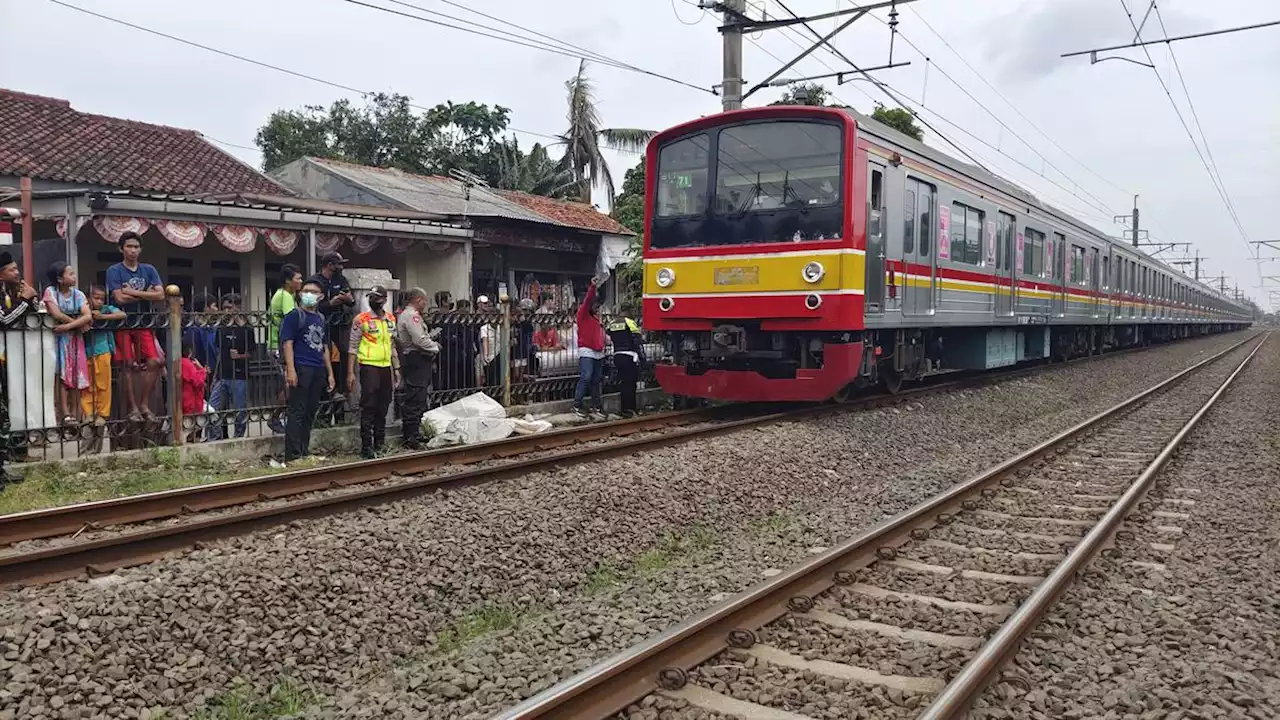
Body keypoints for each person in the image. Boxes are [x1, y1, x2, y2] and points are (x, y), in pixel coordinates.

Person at [106, 232, 165, 422]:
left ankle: (144, 404)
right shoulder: (114, 270)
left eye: (136, 247)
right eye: (129, 246)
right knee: (127, 365)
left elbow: (161, 295)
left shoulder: (148, 269)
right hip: (123, 322)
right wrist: (146, 293)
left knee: (154, 361)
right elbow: (119, 298)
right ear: (121, 249)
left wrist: (131, 291)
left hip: (143, 321)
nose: (133, 250)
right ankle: (132, 408)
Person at [280, 280, 335, 462]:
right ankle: (293, 455)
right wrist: (291, 370)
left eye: (313, 291)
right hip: (301, 367)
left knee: (310, 411)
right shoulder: (294, 316)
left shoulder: (319, 318)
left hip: (317, 368)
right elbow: (287, 344)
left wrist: (330, 373)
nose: (308, 294)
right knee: (297, 411)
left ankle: (303, 451)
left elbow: (324, 347)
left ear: (321, 297)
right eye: (306, 291)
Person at [347, 286, 399, 459]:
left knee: (383, 406)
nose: (373, 300)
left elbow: (391, 345)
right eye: (371, 297)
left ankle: (380, 444)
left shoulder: (390, 319)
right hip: (368, 366)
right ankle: (366, 447)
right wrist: (350, 373)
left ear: (384, 300)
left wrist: (396, 368)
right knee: (368, 406)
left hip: (386, 367)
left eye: (376, 297)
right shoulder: (361, 319)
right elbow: (352, 347)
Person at [0, 252, 36, 487]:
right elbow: (3, 320)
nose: (17, 272)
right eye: (12, 269)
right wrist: (24, 301)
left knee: (3, 418)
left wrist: (28, 300)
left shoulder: (6, 292)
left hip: (4, 359)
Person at [42, 261, 92, 426]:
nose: (74, 276)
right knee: (61, 376)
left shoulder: (78, 294)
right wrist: (77, 324)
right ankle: (64, 414)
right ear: (59, 279)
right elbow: (56, 313)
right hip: (58, 339)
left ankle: (77, 414)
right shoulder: (51, 292)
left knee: (77, 375)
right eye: (70, 274)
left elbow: (87, 316)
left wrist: (69, 326)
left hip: (74, 338)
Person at [394, 287, 439, 450]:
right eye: (425, 301)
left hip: (417, 358)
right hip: (415, 358)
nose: (425, 305)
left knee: (419, 396)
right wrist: (435, 347)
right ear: (419, 300)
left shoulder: (409, 315)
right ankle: (410, 435)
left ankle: (414, 431)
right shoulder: (411, 316)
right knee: (415, 397)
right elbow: (419, 340)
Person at [308, 251, 355, 399]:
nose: (341, 267)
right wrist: (330, 303)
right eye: (338, 264)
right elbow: (309, 304)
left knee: (343, 353)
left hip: (338, 325)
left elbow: (351, 301)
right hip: (319, 325)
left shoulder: (340, 279)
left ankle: (341, 390)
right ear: (329, 265)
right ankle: (326, 393)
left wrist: (347, 298)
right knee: (324, 357)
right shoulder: (314, 281)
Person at [209, 293, 254, 440]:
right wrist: (215, 377)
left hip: (240, 376)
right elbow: (219, 354)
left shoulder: (247, 329)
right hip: (223, 374)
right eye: (224, 308)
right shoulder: (221, 328)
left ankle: (238, 438)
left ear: (237, 307)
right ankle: (214, 437)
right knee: (213, 409)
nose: (226, 311)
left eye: (229, 307)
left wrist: (240, 356)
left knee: (240, 411)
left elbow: (252, 353)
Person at [267, 265, 303, 433]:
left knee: (289, 384)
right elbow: (293, 321)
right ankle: (274, 417)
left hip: (279, 344)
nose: (300, 281)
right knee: (289, 383)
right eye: (298, 278)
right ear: (288, 281)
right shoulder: (285, 296)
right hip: (280, 345)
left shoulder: (286, 295)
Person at [81, 287, 124, 425]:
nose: (99, 301)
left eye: (101, 298)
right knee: (88, 384)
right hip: (85, 350)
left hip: (103, 349)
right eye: (96, 298)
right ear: (88, 298)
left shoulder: (106, 309)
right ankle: (88, 412)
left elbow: (122, 315)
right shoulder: (81, 308)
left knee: (103, 383)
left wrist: (103, 316)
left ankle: (102, 412)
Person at [573, 276, 607, 419]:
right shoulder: (583, 314)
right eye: (596, 305)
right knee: (586, 377)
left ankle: (596, 405)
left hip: (598, 352)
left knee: (595, 380)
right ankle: (577, 404)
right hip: (587, 350)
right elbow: (588, 301)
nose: (597, 308)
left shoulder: (595, 318)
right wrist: (592, 287)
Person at [606, 302, 646, 418]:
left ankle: (624, 409)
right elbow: (637, 341)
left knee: (623, 383)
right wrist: (643, 359)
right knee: (631, 383)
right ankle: (630, 409)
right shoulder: (630, 322)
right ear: (629, 311)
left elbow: (608, 335)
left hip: (617, 356)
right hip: (629, 356)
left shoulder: (612, 323)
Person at [179, 342, 208, 444]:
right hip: (191, 398)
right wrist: (203, 370)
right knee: (191, 424)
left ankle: (192, 438)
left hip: (185, 397)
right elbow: (197, 381)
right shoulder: (186, 363)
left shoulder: (180, 362)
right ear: (189, 352)